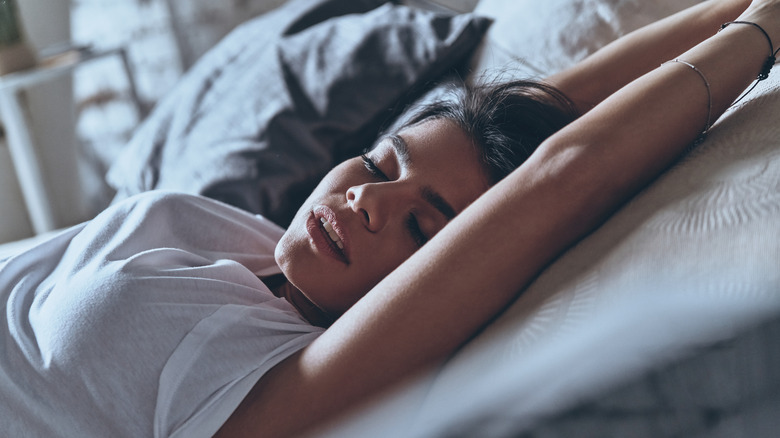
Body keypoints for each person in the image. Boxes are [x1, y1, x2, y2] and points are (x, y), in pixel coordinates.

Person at [0, 0, 776, 437]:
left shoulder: (294, 383)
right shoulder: (260, 249)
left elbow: (558, 179)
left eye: (422, 229)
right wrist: (734, 8)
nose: (370, 201)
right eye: (378, 165)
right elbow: (554, 109)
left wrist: (765, 37)